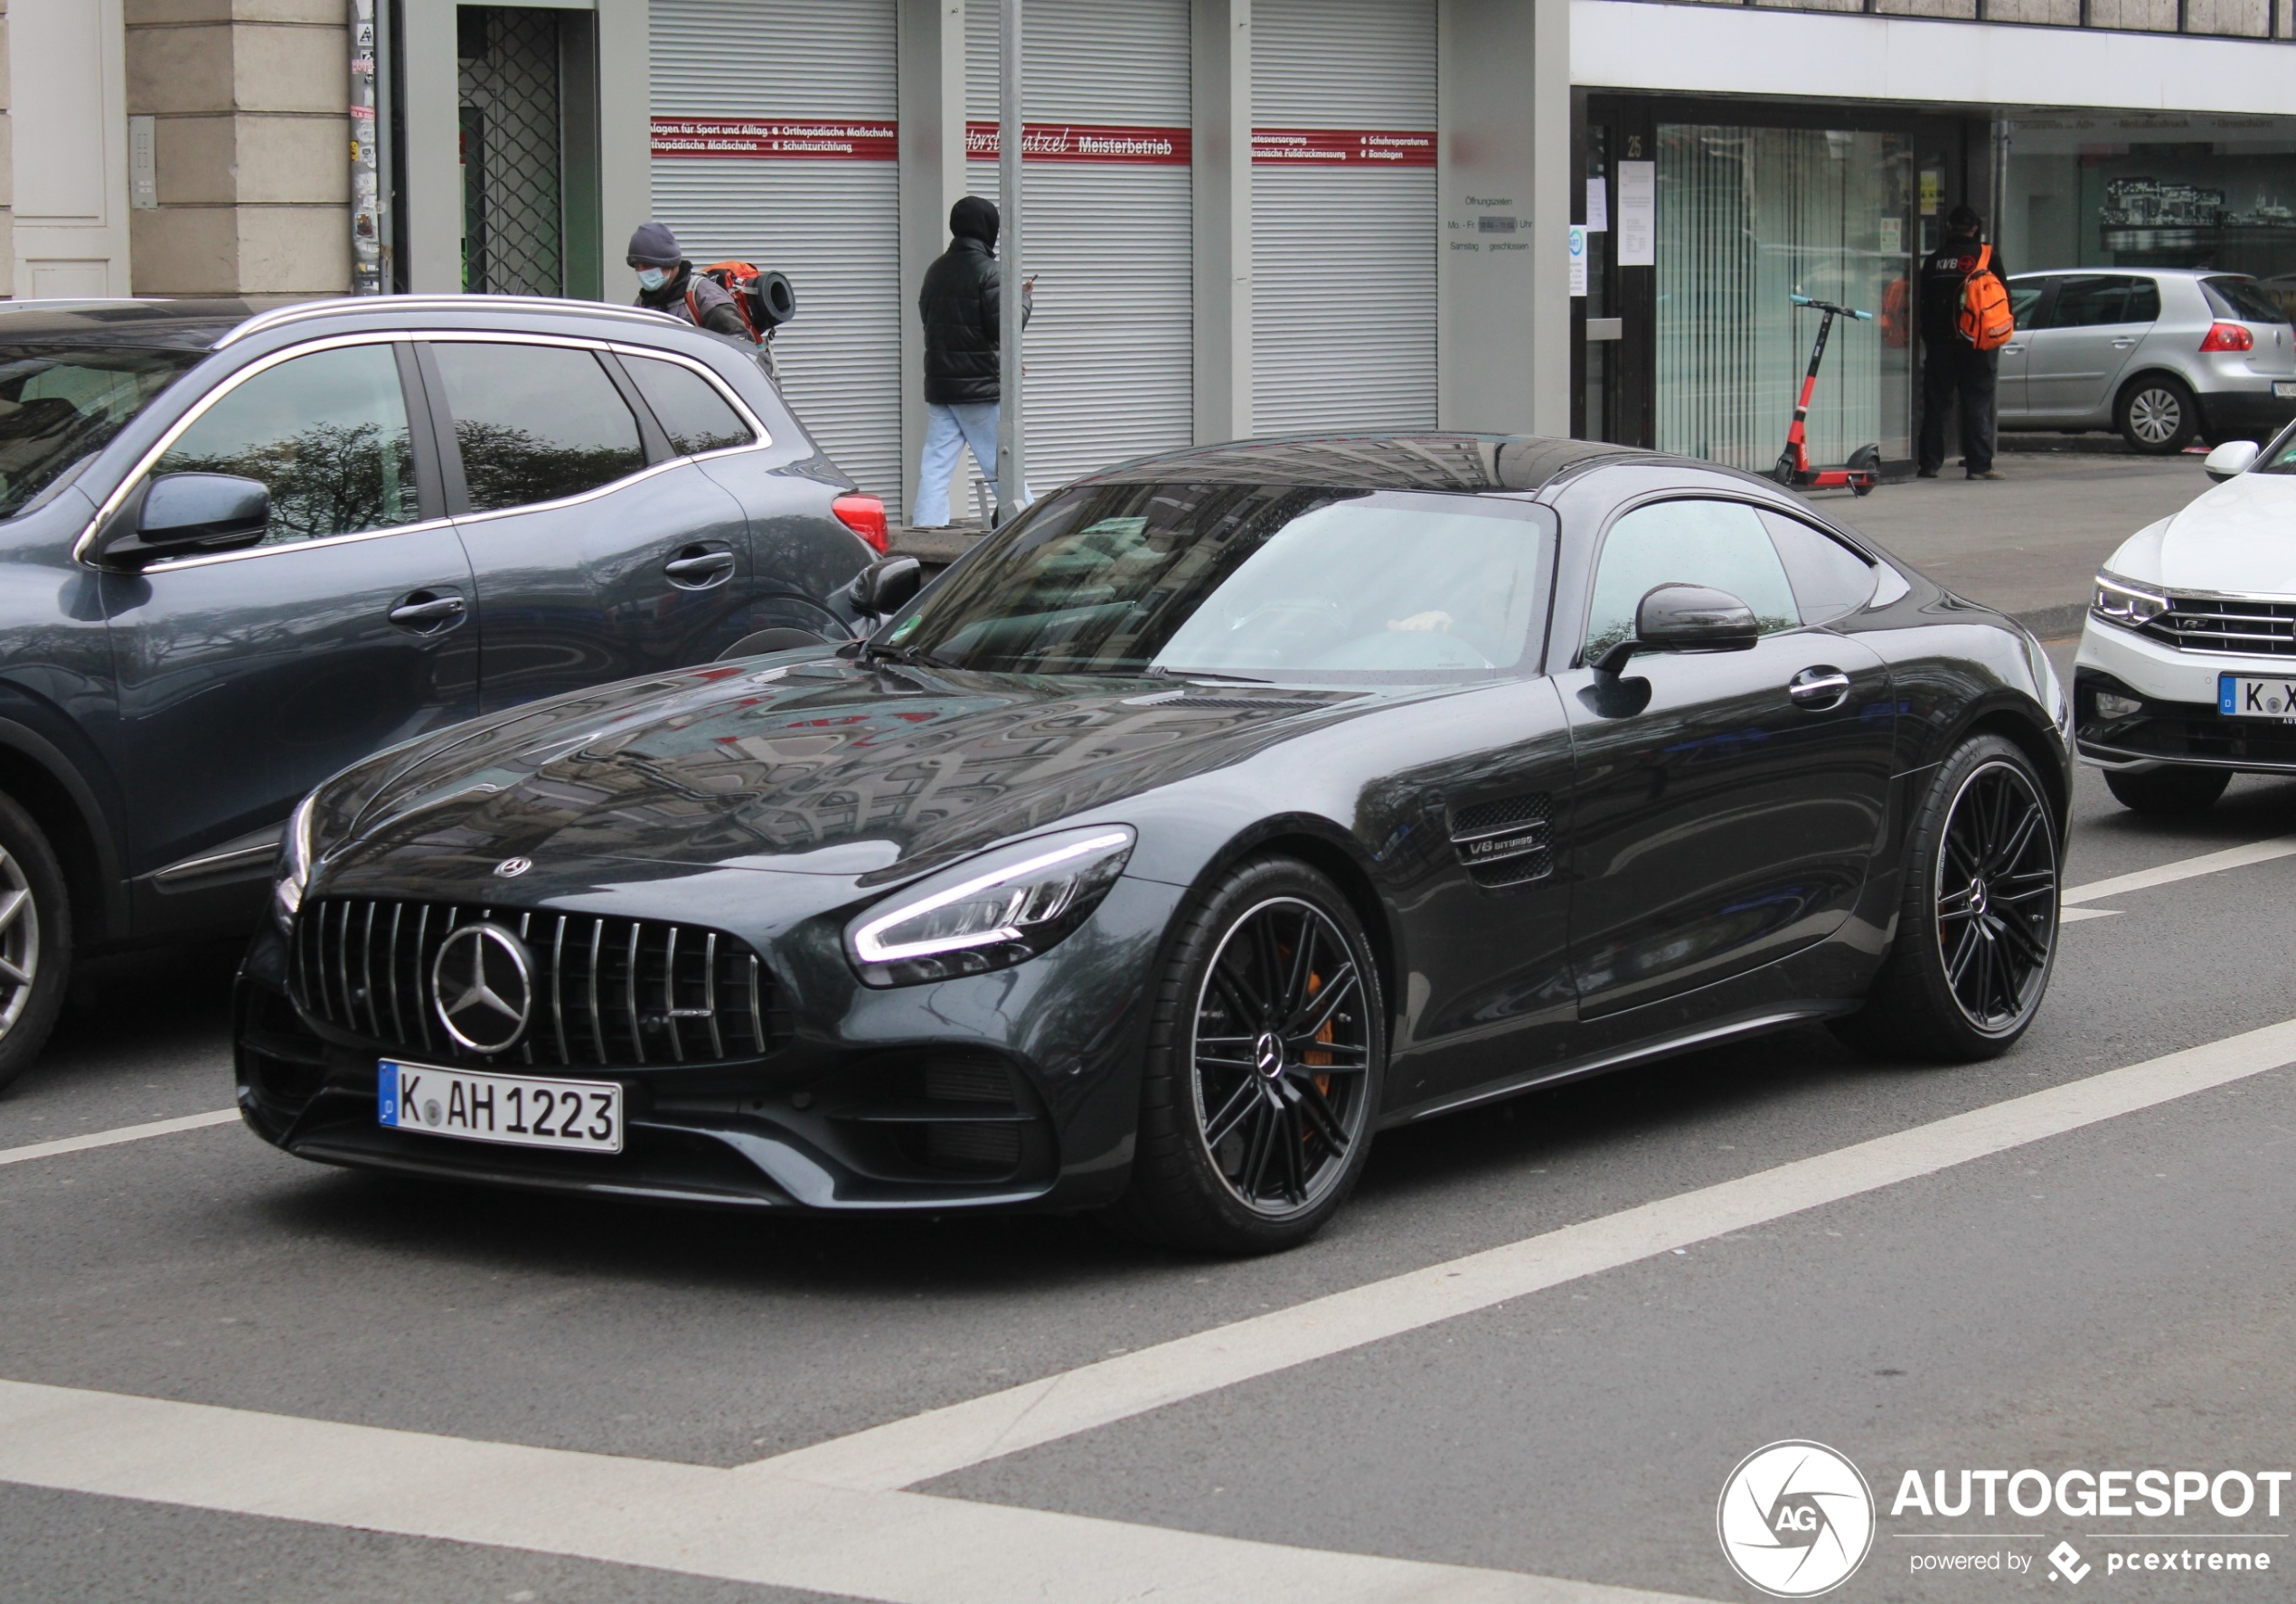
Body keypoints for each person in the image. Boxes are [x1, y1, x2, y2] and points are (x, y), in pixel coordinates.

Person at [911, 196, 1032, 528]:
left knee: (935, 467)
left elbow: (937, 323)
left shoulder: (935, 270)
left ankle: (926, 533)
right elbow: (1003, 328)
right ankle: (1031, 530)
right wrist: (1022, 298)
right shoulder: (990, 272)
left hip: (941, 385)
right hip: (977, 388)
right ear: (988, 228)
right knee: (1003, 467)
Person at [1917, 205, 2011, 481]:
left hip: (1940, 344)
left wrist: (1929, 335)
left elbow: (1923, 303)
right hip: (1978, 343)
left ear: (1949, 227)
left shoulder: (1934, 260)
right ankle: (1979, 465)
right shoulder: (1985, 254)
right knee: (1977, 402)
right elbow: (2003, 297)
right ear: (1976, 228)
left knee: (1936, 404)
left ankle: (1929, 463)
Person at [626, 222, 749, 341]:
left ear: (668, 262)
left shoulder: (706, 296)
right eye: (637, 266)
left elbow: (738, 346)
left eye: (648, 265)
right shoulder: (643, 303)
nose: (641, 272)